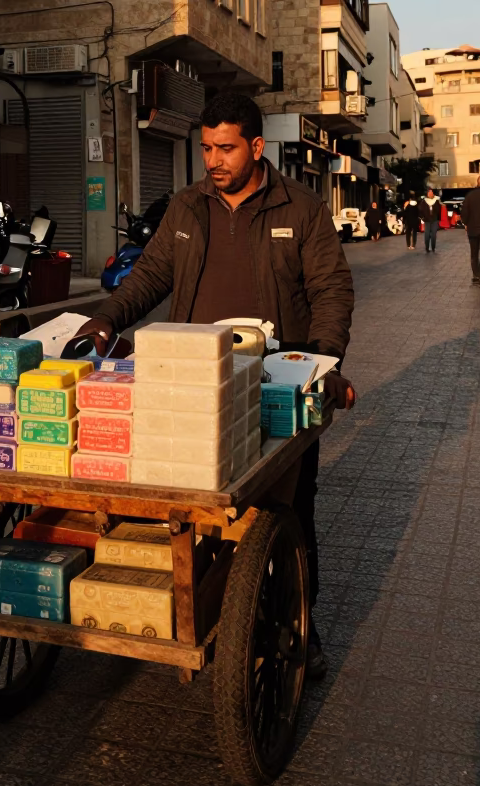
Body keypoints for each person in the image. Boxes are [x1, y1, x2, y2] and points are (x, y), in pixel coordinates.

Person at [79, 91, 356, 679]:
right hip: (193, 386)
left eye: (225, 148)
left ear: (256, 146)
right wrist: (108, 317)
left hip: (275, 383)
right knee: (194, 506)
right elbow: (151, 274)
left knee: (288, 511)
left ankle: (299, 625)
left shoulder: (301, 209)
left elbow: (331, 291)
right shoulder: (187, 207)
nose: (214, 160)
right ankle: (205, 608)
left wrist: (322, 363)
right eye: (206, 148)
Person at [419, 187, 442, 252]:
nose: (430, 194)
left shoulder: (436, 200)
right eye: (429, 192)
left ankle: (433, 247)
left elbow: (439, 210)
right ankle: (427, 247)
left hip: (434, 220)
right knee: (427, 234)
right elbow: (420, 210)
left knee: (434, 234)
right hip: (427, 220)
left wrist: (438, 218)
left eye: (431, 192)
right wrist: (422, 218)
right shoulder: (424, 201)